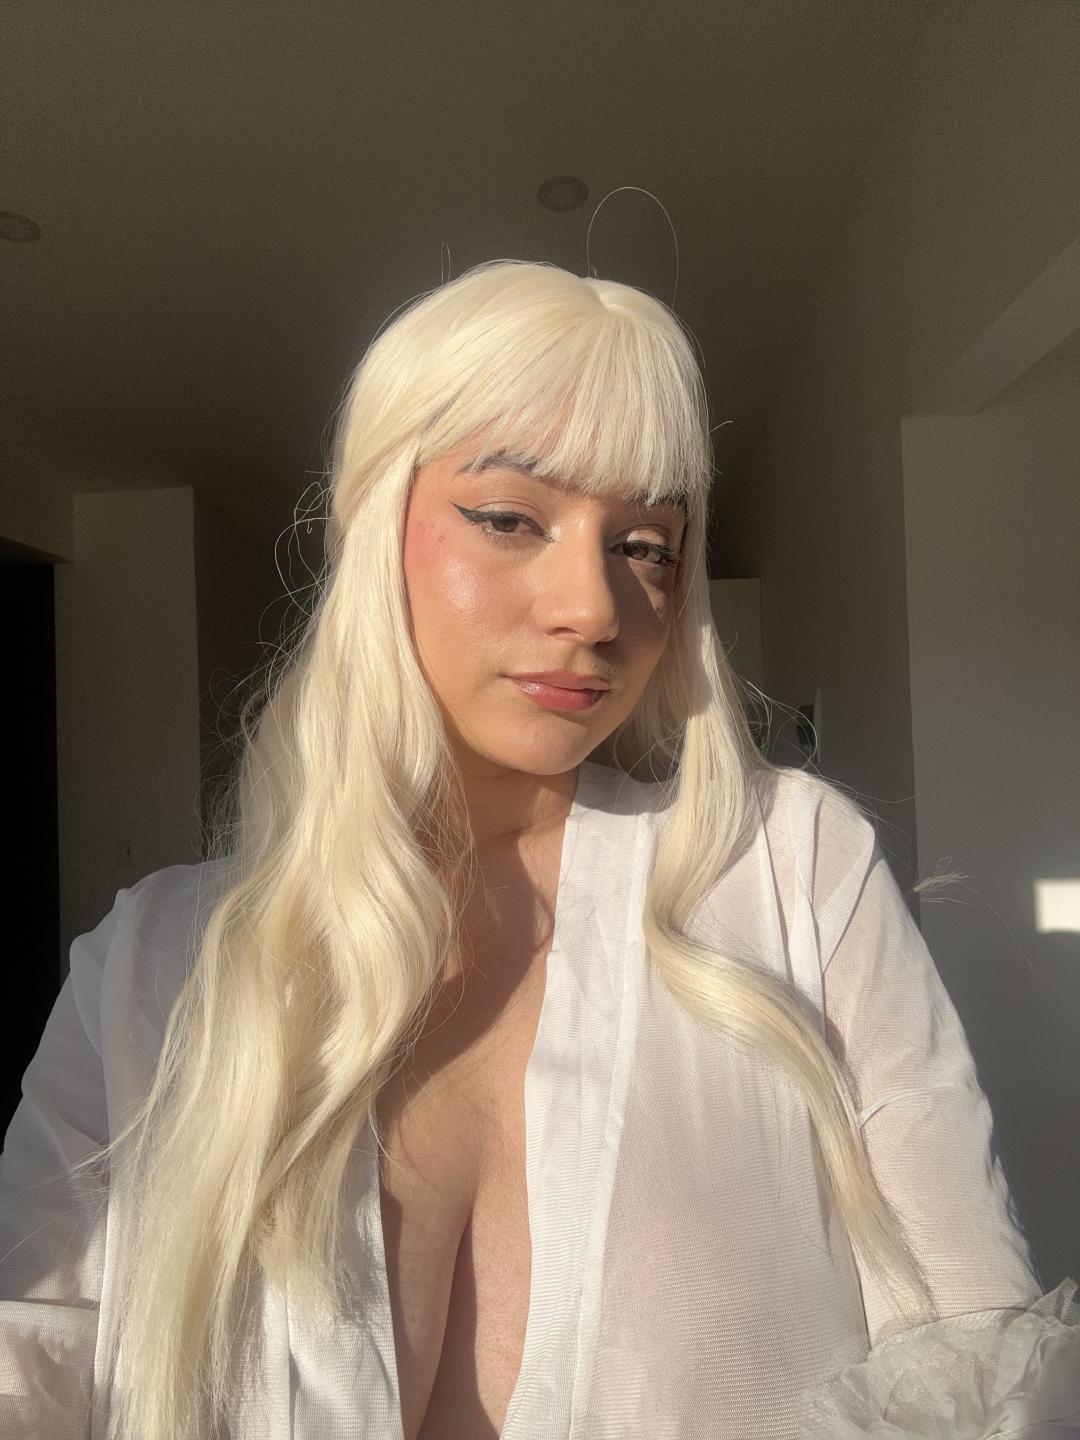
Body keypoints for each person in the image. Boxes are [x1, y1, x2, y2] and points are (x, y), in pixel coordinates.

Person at [1, 259, 1076, 1440]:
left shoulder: (796, 875)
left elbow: (984, 1371)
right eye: (510, 518)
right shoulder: (149, 973)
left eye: (647, 544)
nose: (595, 609)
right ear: (376, 527)